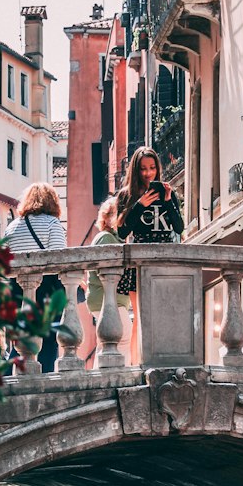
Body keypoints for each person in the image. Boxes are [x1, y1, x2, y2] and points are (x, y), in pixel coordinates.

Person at [116, 147, 183, 364]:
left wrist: (167, 201)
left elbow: (179, 227)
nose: (148, 174)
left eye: (152, 168)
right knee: (142, 317)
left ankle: (161, 360)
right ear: (136, 170)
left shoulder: (168, 193)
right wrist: (139, 205)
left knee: (164, 315)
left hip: (164, 260)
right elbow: (122, 232)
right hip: (139, 261)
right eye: (144, 169)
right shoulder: (126, 195)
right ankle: (137, 364)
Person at [2, 183, 67, 373]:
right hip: (46, 290)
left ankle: (7, 378)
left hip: (17, 291)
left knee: (21, 343)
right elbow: (59, 261)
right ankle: (44, 380)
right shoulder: (52, 224)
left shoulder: (12, 227)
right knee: (47, 342)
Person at [85, 196, 128, 364]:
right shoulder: (107, 238)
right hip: (109, 298)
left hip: (105, 298)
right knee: (122, 340)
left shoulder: (110, 238)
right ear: (110, 218)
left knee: (105, 344)